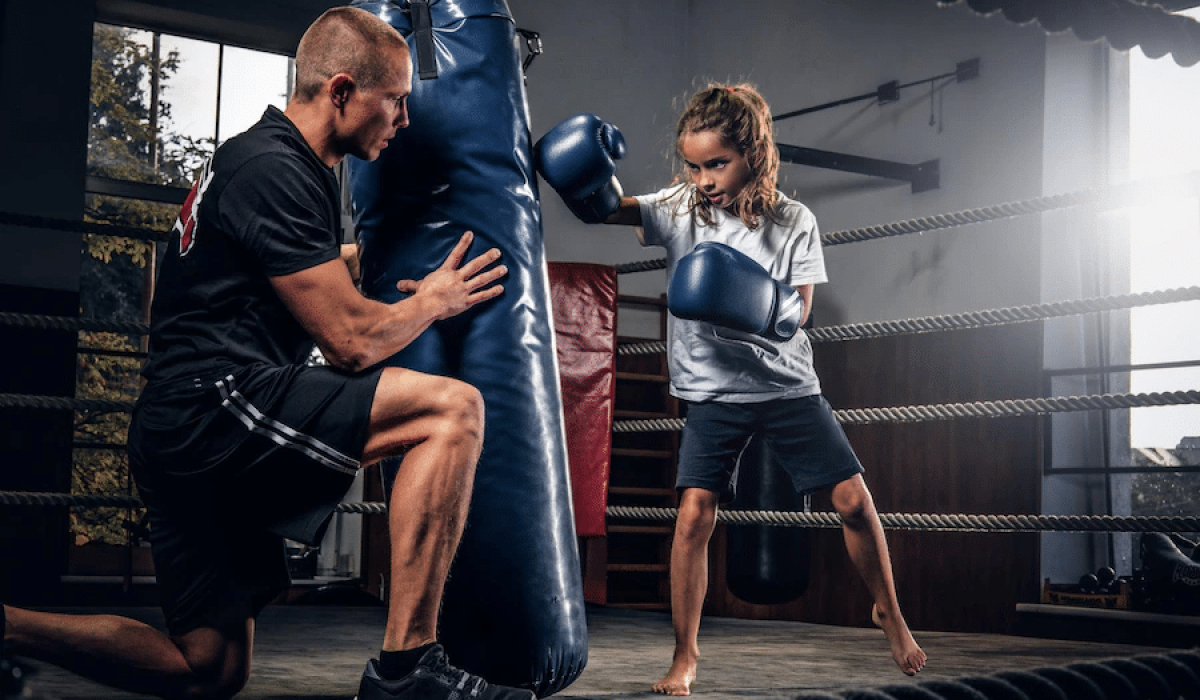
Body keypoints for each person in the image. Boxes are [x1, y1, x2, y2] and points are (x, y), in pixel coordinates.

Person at [1, 7, 533, 700]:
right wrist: (432, 301)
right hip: (213, 407)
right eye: (395, 99)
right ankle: (408, 668)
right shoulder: (275, 168)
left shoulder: (262, 159)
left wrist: (377, 258)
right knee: (450, 411)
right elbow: (348, 344)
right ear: (340, 91)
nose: (404, 118)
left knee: (209, 668)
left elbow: (270, 267)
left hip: (175, 426)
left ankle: (8, 626)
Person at [534, 83, 927, 696]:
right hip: (713, 393)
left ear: (754, 155)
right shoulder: (681, 207)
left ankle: (890, 614)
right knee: (693, 515)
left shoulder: (795, 222)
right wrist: (583, 176)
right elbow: (608, 210)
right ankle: (685, 656)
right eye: (693, 165)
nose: (704, 178)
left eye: (717, 163)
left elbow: (801, 310)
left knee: (852, 499)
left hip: (786, 386)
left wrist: (752, 300)